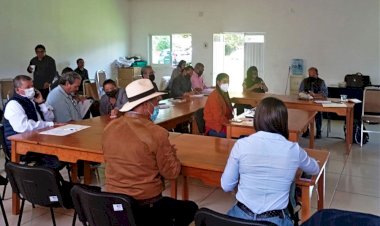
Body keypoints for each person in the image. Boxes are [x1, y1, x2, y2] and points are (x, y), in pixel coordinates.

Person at [103, 79, 198, 226]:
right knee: (191, 208)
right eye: (155, 101)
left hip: (114, 201)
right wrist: (171, 153)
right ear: (146, 105)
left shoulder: (110, 127)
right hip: (146, 205)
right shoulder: (156, 133)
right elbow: (171, 173)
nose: (156, 105)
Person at [221, 97, 320, 226]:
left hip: (240, 217)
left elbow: (226, 185)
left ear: (257, 119)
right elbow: (315, 169)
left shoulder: (241, 145)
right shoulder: (293, 149)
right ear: (283, 121)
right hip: (275, 221)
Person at [3, 75, 63, 169]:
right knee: (58, 159)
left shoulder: (33, 101)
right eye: (28, 87)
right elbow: (23, 127)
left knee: (63, 151)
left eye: (32, 86)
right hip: (22, 147)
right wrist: (49, 124)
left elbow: (50, 119)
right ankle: (36, 177)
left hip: (38, 140)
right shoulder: (13, 104)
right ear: (18, 90)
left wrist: (41, 103)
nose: (32, 89)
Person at [299, 67, 328, 139]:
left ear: (317, 74)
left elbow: (325, 94)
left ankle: (318, 132)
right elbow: (300, 92)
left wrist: (315, 95)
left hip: (317, 103)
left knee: (318, 115)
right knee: (304, 114)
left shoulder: (321, 82)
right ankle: (306, 131)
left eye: (313, 75)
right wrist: (305, 94)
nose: (311, 77)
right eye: (310, 75)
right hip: (306, 103)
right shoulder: (305, 81)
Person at [203, 73, 233, 138]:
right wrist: (230, 124)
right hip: (215, 127)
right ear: (218, 82)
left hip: (224, 123)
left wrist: (233, 122)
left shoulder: (224, 93)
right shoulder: (214, 96)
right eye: (224, 82)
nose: (227, 84)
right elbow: (218, 117)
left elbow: (229, 111)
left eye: (228, 82)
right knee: (236, 134)